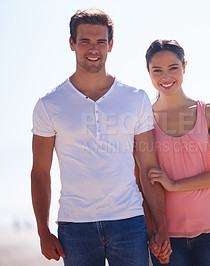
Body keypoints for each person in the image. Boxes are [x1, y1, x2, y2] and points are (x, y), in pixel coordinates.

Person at [31, 9, 171, 265]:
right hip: (74, 227)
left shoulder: (135, 98)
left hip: (129, 221)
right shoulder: (49, 105)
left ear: (111, 45)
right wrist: (43, 230)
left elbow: (149, 167)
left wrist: (161, 226)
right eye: (84, 40)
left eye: (100, 41)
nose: (93, 48)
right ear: (72, 43)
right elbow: (40, 172)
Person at [145, 40, 210, 266]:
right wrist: (152, 233)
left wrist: (174, 184)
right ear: (148, 72)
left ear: (184, 67)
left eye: (173, 68)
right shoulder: (143, 119)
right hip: (168, 238)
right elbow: (141, 180)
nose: (165, 77)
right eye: (157, 70)